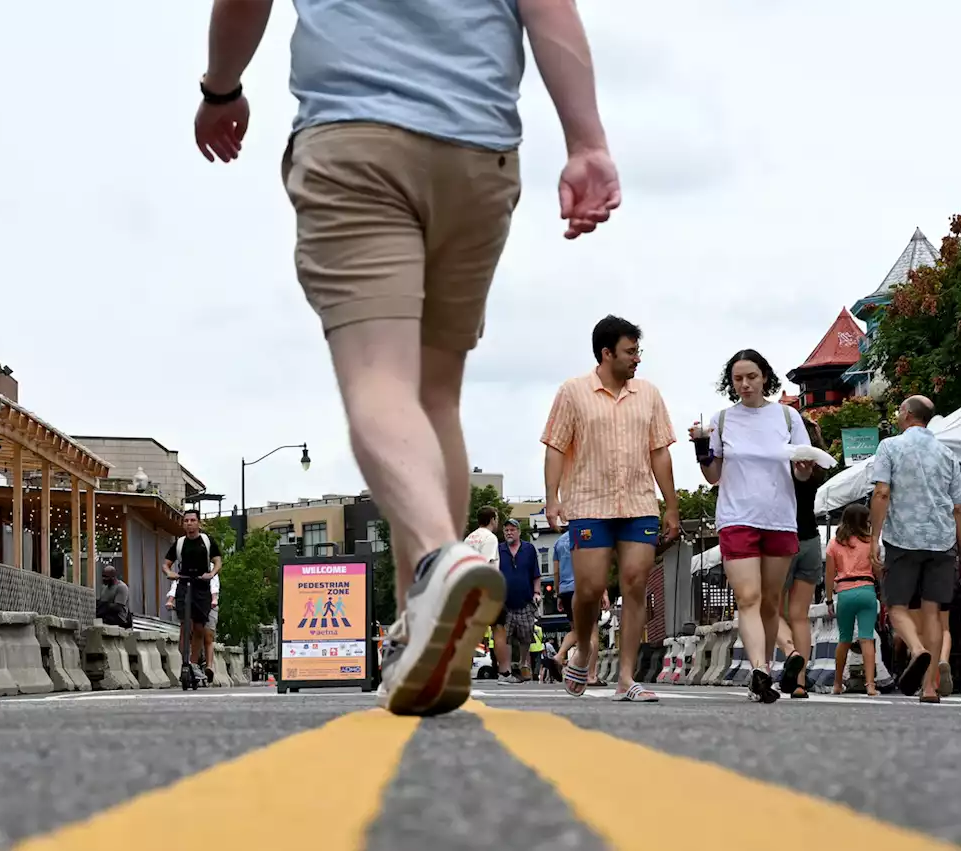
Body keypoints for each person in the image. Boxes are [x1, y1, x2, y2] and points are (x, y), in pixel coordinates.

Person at [194, 0, 619, 718]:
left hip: (356, 134)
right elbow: (549, 8)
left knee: (377, 378)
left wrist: (221, 89)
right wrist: (586, 141)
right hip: (476, 151)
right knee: (436, 397)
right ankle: (418, 638)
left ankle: (437, 558)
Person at [543, 316, 679, 703]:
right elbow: (555, 446)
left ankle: (625, 678)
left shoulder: (649, 394)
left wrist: (671, 506)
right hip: (589, 503)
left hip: (638, 503)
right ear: (607, 353)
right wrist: (552, 497)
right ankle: (584, 650)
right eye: (630, 351)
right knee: (588, 589)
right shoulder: (572, 392)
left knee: (635, 582)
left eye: (638, 351)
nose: (637, 358)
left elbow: (660, 452)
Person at [690, 349, 814, 704]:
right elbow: (713, 476)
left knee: (771, 602)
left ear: (765, 378)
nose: (744, 385)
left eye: (751, 377)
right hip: (736, 516)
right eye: (737, 379)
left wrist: (804, 469)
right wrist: (701, 448)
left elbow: (801, 468)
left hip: (778, 517)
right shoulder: (723, 420)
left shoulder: (788, 418)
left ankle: (768, 670)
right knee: (748, 597)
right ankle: (759, 668)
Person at [869, 395, 962, 703]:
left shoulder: (890, 447)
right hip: (941, 540)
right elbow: (958, 508)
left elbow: (882, 492)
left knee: (896, 607)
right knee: (933, 612)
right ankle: (931, 687)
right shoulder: (948, 455)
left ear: (907, 414)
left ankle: (917, 649)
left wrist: (874, 539)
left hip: (903, 539)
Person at [775, 416, 828, 699]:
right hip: (811, 540)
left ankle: (790, 652)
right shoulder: (818, 467)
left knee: (770, 609)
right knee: (800, 616)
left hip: (783, 540)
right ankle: (800, 682)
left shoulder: (783, 464)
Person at [825, 504, 882, 697]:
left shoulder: (834, 544)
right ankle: (871, 685)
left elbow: (829, 575)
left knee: (844, 639)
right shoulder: (871, 543)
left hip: (845, 593)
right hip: (867, 590)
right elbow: (878, 570)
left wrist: (829, 599)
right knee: (867, 639)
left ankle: (838, 683)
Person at [163, 510, 223, 673]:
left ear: (198, 523)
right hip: (184, 584)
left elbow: (217, 561)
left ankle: (194, 663)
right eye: (186, 521)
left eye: (192, 520)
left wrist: (211, 574)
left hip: (201, 586)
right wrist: (170, 573)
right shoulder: (180, 543)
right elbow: (166, 564)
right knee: (185, 624)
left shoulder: (207, 541)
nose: (189, 523)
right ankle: (185, 661)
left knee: (199, 627)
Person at [551, 527, 608, 686]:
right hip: (586, 586)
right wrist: (603, 591)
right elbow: (596, 565)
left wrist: (558, 593)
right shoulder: (588, 534)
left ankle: (560, 656)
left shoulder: (558, 542)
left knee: (577, 630)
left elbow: (556, 572)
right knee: (593, 630)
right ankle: (590, 675)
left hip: (566, 590)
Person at [494, 519, 541, 684]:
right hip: (504, 601)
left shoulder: (529, 549)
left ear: (519, 532)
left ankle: (523, 662)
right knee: (505, 636)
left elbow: (536, 573)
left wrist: (537, 592)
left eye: (512, 530)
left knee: (526, 633)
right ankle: (507, 669)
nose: (509, 533)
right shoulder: (498, 549)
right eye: (506, 530)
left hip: (525, 599)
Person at [167, 572, 222, 682]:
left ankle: (208, 666)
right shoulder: (185, 566)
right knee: (186, 631)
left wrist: (214, 598)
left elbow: (214, 584)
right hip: (189, 602)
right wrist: (170, 600)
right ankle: (187, 663)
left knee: (207, 636)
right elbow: (176, 583)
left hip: (207, 601)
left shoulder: (208, 566)